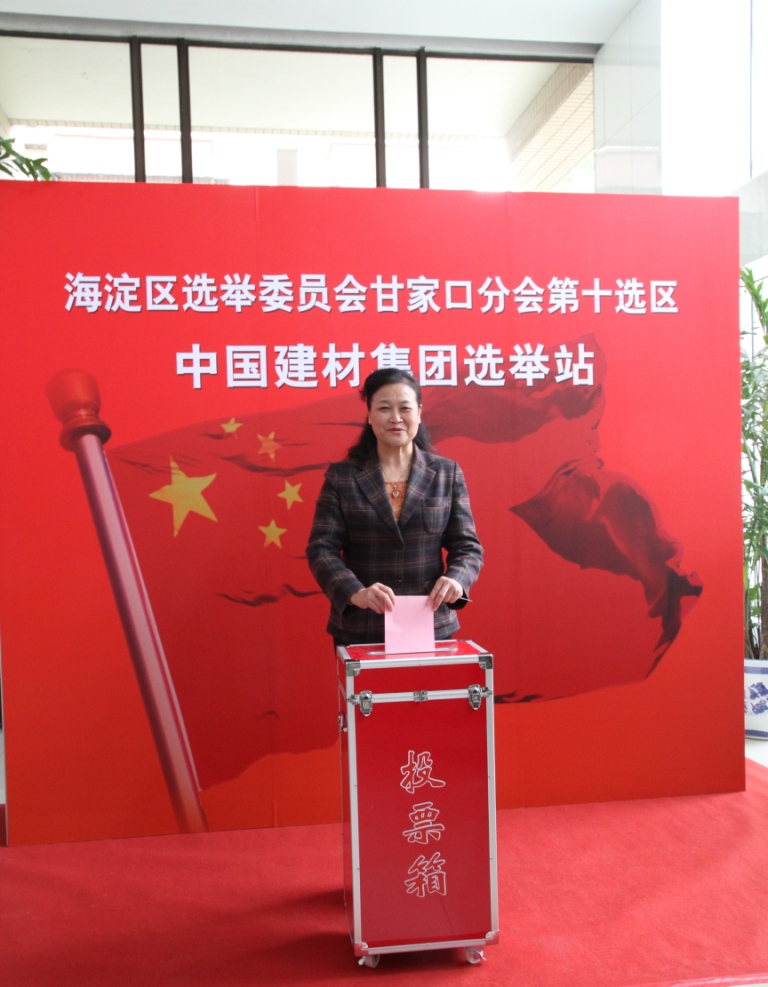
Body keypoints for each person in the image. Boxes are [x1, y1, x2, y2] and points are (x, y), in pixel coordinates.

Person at [306, 368, 483, 645]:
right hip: (363, 624)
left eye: (405, 408)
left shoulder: (447, 473)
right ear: (369, 414)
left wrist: (457, 580)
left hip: (429, 620)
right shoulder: (342, 477)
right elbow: (321, 548)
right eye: (384, 408)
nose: (396, 418)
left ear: (419, 413)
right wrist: (355, 592)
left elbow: (467, 546)